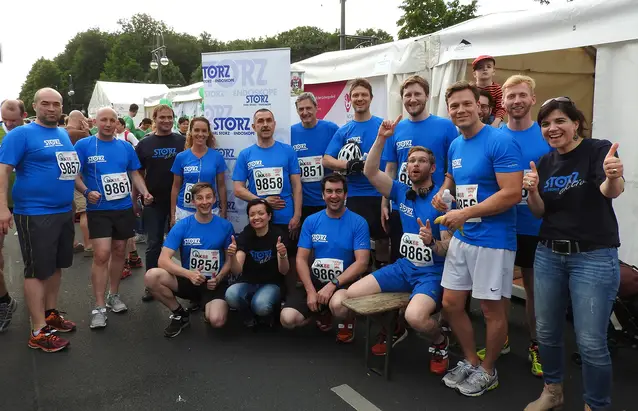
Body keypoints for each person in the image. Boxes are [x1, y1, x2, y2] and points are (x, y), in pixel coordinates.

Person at [523, 97, 623, 411]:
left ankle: (595, 405)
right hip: (549, 254)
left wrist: (612, 176)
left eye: (560, 121)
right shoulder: (544, 162)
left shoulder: (597, 150)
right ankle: (553, 392)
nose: (553, 128)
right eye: (546, 124)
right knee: (547, 331)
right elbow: (539, 213)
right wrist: (533, 192)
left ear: (575, 122)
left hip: (593, 256)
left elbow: (610, 192)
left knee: (591, 341)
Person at [432, 81, 522, 396]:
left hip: (494, 240)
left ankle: (488, 369)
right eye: (454, 105)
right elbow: (460, 184)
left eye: (466, 103)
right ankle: (472, 360)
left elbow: (511, 193)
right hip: (464, 236)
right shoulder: (456, 145)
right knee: (451, 303)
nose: (460, 110)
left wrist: (465, 214)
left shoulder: (500, 141)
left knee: (490, 310)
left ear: (478, 105)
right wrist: (446, 197)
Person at [348, 115, 452, 374]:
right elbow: (370, 171)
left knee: (415, 317)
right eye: (412, 161)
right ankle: (393, 327)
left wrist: (433, 242)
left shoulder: (443, 200)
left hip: (432, 273)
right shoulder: (400, 191)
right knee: (352, 295)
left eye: (422, 161)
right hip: (404, 267)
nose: (415, 165)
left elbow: (448, 250)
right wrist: (381, 138)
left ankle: (440, 341)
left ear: (433, 167)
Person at [0, 88, 80, 352]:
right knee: (36, 271)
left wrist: (84, 192)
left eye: (56, 104)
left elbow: (68, 169)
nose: (51, 108)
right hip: (34, 212)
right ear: (34, 107)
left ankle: (50, 314)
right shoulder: (21, 134)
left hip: (62, 211)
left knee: (57, 266)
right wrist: (2, 208)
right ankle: (37, 330)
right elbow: (3, 171)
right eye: (45, 104)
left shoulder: (62, 134)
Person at [489, 75, 551, 378]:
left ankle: (537, 344)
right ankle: (498, 340)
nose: (516, 101)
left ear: (533, 99)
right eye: (511, 96)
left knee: (533, 289)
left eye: (522, 95)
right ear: (503, 101)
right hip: (501, 225)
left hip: (535, 226)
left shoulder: (546, 136)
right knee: (498, 288)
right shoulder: (493, 136)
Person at [74, 107, 153, 329]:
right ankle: (98, 307)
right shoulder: (84, 145)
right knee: (101, 255)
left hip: (123, 207)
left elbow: (134, 173)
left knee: (120, 252)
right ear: (95, 122)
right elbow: (74, 175)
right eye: (104, 120)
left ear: (117, 123)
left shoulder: (125, 147)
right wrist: (86, 191)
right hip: (98, 209)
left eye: (112, 120)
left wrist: (144, 192)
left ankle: (113, 295)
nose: (108, 124)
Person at [280, 174, 370, 343]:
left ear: (345, 194)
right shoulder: (311, 221)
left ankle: (347, 319)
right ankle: (321, 313)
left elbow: (362, 262)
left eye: (338, 191)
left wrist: (333, 284)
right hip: (317, 281)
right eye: (329, 191)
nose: (333, 196)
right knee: (287, 318)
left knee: (338, 306)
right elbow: (300, 259)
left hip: (344, 283)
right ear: (322, 195)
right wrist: (309, 291)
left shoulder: (358, 222)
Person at [381, 76, 458, 264]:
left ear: (427, 96)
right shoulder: (396, 129)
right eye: (408, 95)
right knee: (400, 260)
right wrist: (384, 203)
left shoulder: (446, 126)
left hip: (435, 207)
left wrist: (444, 195)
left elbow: (453, 168)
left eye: (417, 94)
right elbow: (390, 168)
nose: (412, 99)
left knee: (437, 260)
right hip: (402, 206)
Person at [144, 182, 234, 337]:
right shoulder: (182, 226)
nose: (204, 201)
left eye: (208, 197)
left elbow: (229, 260)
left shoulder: (225, 226)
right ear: (193, 202)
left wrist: (219, 278)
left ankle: (207, 306)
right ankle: (180, 314)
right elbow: (163, 260)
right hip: (189, 280)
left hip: (213, 283)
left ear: (214, 200)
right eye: (199, 198)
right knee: (152, 276)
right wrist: (189, 274)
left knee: (217, 321)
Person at [323, 79, 388, 269]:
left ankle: (382, 272)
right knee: (357, 242)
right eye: (355, 95)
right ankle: (359, 276)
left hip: (380, 193)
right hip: (355, 195)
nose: (359, 99)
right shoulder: (345, 130)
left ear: (371, 98)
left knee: (383, 238)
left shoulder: (382, 125)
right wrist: (348, 164)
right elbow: (326, 159)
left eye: (363, 95)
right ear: (350, 99)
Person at [232, 108, 302, 287]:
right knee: (261, 259)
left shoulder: (287, 151)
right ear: (254, 126)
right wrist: (262, 202)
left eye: (268, 120)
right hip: (259, 220)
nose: (265, 124)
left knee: (288, 257)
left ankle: (289, 298)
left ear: (274, 124)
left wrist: (297, 215)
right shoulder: (246, 154)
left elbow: (296, 185)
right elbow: (238, 189)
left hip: (286, 218)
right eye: (260, 121)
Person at [135, 104, 186, 302]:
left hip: (180, 202)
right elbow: (137, 173)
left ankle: (188, 283)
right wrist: (136, 199)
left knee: (183, 244)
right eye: (162, 117)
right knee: (154, 243)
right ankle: (151, 284)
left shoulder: (182, 141)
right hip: (153, 202)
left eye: (169, 117)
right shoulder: (144, 144)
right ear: (154, 118)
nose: (166, 121)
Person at [225, 199, 289, 327]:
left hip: (272, 284)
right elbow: (237, 270)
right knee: (231, 294)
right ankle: (248, 315)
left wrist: (283, 255)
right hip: (249, 282)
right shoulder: (245, 235)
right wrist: (231, 256)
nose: (256, 217)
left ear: (269, 216)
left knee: (260, 305)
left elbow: (284, 271)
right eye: (252, 214)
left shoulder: (278, 235)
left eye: (261, 213)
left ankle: (271, 313)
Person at [291, 92, 339, 225]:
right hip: (302, 202)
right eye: (301, 109)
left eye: (308, 108)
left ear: (316, 108)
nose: (305, 112)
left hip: (328, 199)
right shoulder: (291, 132)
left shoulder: (331, 128)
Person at [170, 116, 227, 226]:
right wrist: (173, 214)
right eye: (196, 130)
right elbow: (175, 186)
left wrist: (224, 211)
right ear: (190, 132)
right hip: (184, 210)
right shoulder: (181, 157)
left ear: (208, 133)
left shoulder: (217, 157)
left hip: (209, 209)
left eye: (204, 131)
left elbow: (221, 186)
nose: (200, 134)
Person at [0, 99, 26, 332]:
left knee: (33, 254)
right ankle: (4, 300)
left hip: (28, 203)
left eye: (13, 120)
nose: (8, 124)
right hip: (3, 202)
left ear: (23, 115)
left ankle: (34, 294)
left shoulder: (31, 133)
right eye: (5, 119)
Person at [66, 110, 93, 255]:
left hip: (65, 178)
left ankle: (71, 242)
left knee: (70, 210)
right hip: (80, 178)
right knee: (85, 212)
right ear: (80, 120)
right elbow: (93, 147)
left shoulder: (62, 132)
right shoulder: (79, 134)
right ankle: (89, 244)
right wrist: (87, 131)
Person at [472, 55, 505, 128]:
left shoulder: (497, 88)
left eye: (489, 66)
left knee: (502, 127)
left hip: (493, 118)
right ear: (474, 74)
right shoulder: (471, 89)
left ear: (493, 71)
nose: (485, 69)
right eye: (480, 67)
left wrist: (496, 122)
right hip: (473, 116)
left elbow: (501, 108)